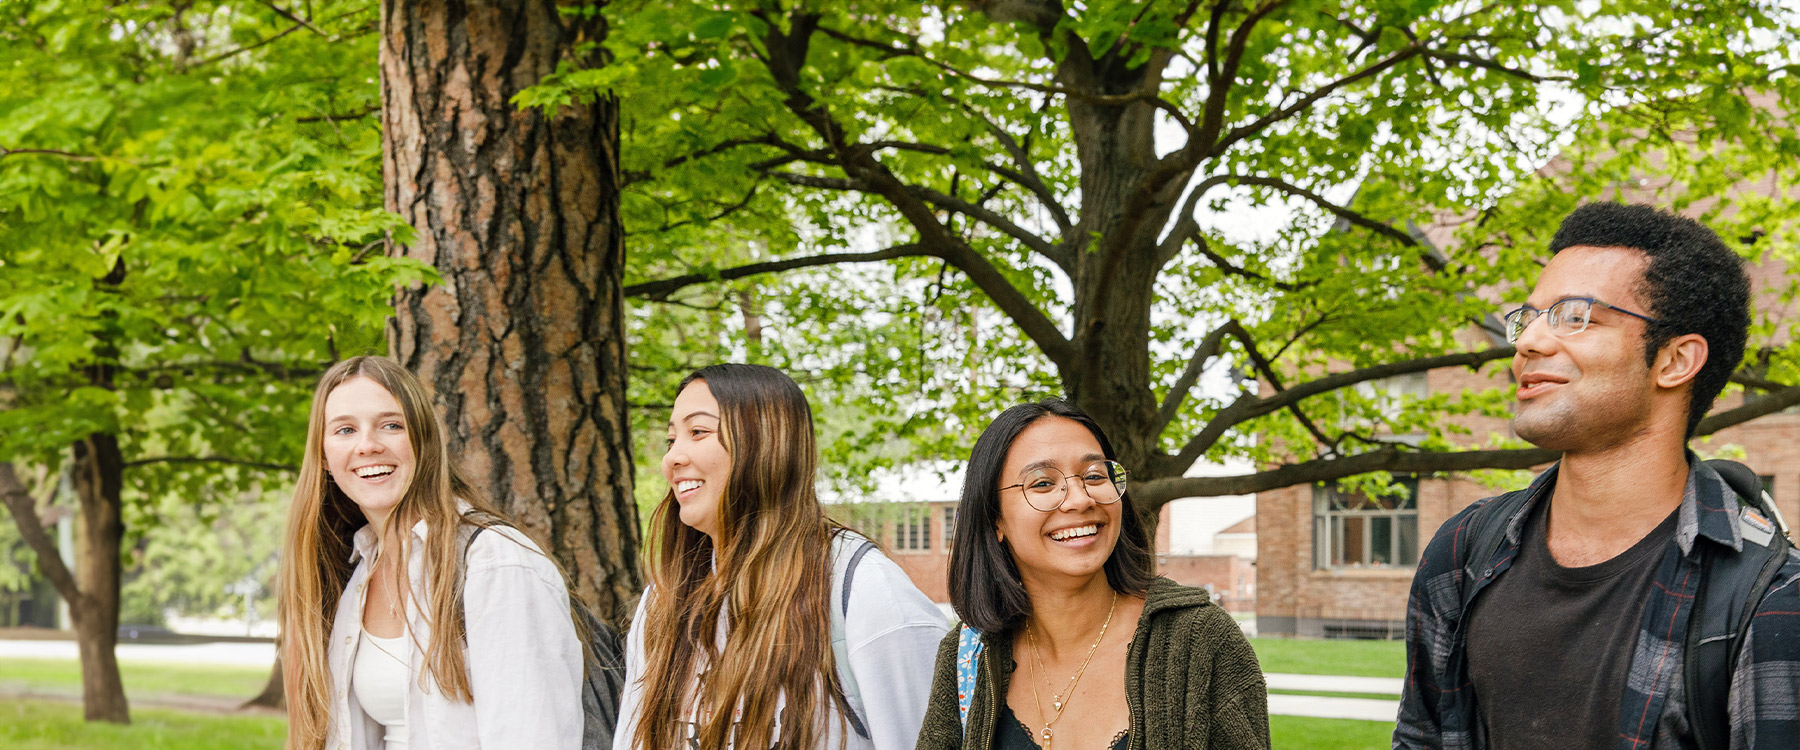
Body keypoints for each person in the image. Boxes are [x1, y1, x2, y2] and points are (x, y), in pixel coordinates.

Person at [1394, 202, 1800, 748]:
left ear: (1675, 361)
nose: (1527, 342)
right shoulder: (1464, 550)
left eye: (1574, 316)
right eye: (1530, 317)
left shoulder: (1768, 596)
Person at [614, 363, 947, 750]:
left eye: (698, 432)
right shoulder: (665, 602)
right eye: (672, 440)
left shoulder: (862, 591)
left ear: (766, 443)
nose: (672, 458)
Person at [915, 399, 1269, 750]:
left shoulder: (1201, 643)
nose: (1080, 499)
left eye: (1095, 476)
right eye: (1042, 483)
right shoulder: (968, 654)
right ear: (995, 519)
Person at [278, 355, 582, 750]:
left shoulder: (495, 563)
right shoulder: (358, 570)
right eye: (345, 429)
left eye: (391, 425)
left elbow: (534, 737)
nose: (367, 445)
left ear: (422, 438)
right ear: (323, 456)